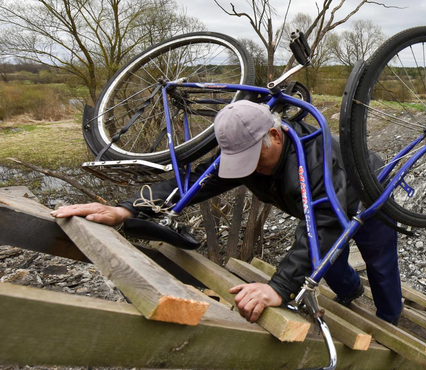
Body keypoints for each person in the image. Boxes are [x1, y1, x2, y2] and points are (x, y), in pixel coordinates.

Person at [52, 100, 402, 324]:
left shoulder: (316, 163)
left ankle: (389, 316)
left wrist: (278, 287)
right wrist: (127, 209)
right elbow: (195, 182)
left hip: (366, 196)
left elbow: (325, 227)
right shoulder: (251, 151)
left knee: (379, 260)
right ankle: (351, 292)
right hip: (321, 208)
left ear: (276, 136)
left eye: (254, 160)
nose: (250, 170)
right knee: (334, 264)